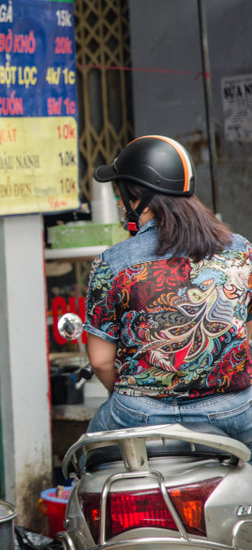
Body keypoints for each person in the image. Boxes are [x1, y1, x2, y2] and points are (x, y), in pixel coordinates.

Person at [84, 135, 252, 450]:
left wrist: (135, 399)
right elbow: (245, 330)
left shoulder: (111, 264)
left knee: (84, 464)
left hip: (137, 415)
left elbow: (101, 361)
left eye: (122, 195)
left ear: (141, 199)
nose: (120, 204)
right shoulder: (240, 251)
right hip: (235, 414)